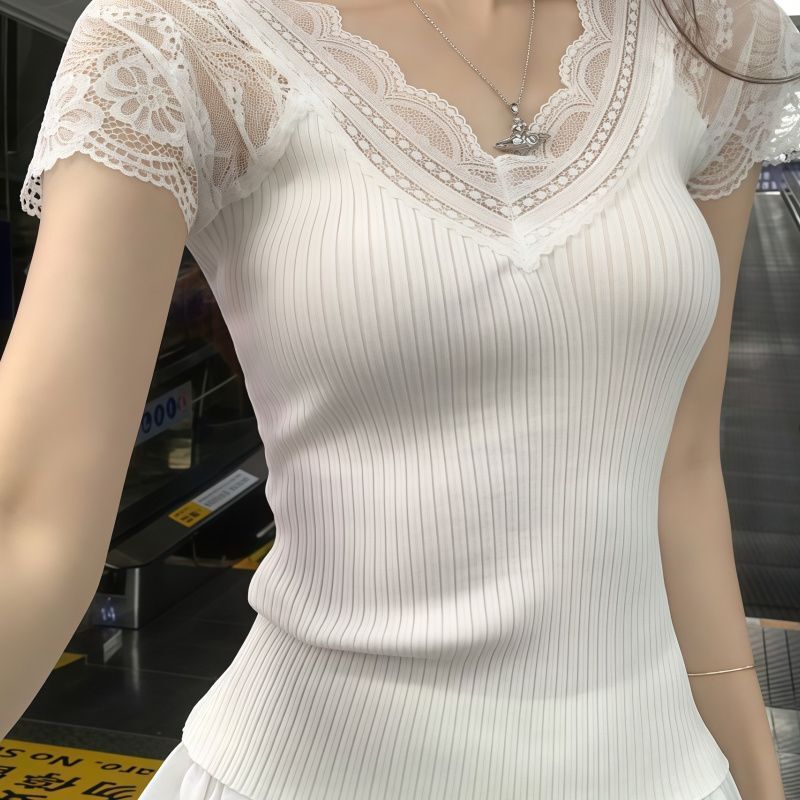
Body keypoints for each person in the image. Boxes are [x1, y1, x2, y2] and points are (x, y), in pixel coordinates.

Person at [2, 0, 799, 796]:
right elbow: (27, 521)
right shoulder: (177, 37)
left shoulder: (714, 37)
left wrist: (755, 770)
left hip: (663, 771)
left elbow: (681, 465)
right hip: (306, 773)